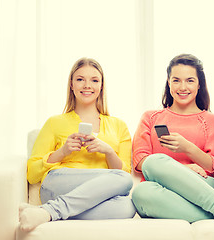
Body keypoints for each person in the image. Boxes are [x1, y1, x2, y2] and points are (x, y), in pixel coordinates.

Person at [131, 53, 214, 230]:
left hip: (203, 185)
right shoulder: (150, 117)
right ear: (168, 82)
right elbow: (141, 161)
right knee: (142, 190)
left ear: (199, 84)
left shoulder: (211, 121)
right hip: (160, 188)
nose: (182, 87)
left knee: (158, 165)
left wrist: (188, 148)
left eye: (189, 80)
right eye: (176, 80)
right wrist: (184, 168)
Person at [19, 57, 136, 231]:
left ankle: (48, 211)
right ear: (71, 85)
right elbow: (32, 174)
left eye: (94, 80)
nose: (87, 85)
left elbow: (123, 178)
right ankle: (53, 208)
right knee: (123, 180)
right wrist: (63, 151)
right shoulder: (54, 122)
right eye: (80, 79)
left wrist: (109, 152)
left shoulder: (119, 126)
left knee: (127, 207)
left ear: (101, 86)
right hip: (57, 184)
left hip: (93, 195)